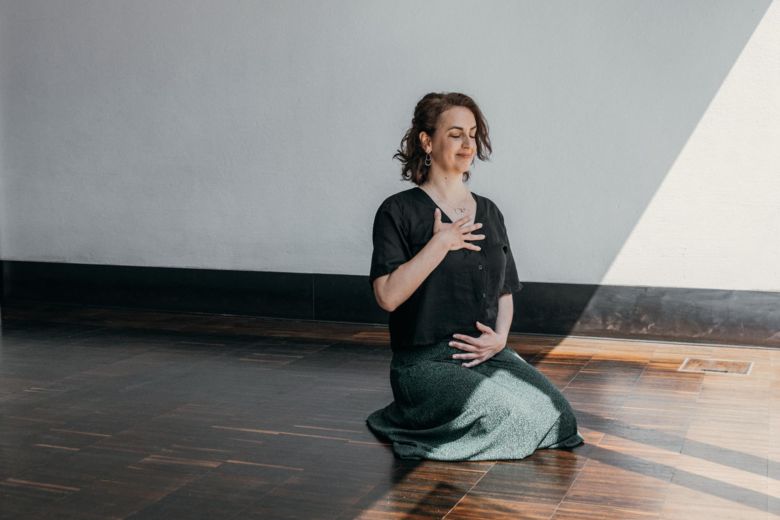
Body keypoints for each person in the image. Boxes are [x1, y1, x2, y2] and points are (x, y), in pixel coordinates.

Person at [366, 92, 584, 461]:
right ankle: (416, 417)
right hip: (424, 362)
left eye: (472, 133)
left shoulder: (490, 211)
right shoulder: (397, 210)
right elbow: (387, 297)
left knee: (560, 417)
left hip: (485, 353)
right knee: (515, 417)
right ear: (427, 140)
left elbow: (505, 290)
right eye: (455, 134)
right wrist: (440, 244)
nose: (468, 144)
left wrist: (500, 339)